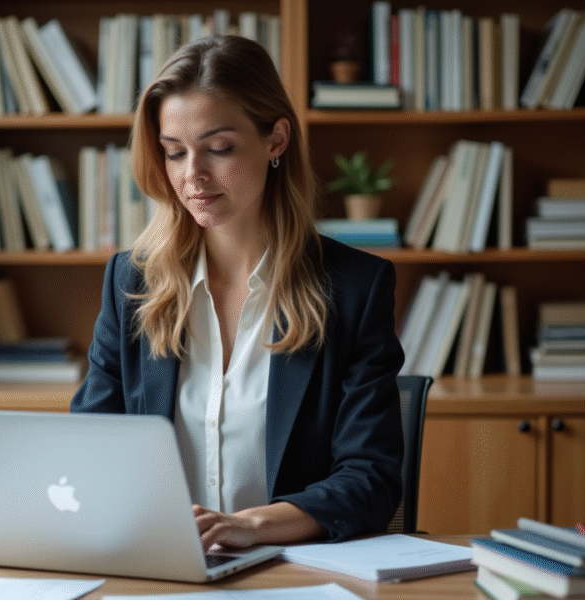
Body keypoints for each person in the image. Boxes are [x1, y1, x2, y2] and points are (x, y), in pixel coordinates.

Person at [70, 35, 405, 550]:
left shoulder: (354, 289)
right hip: (158, 566)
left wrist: (252, 526)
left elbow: (371, 479)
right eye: (173, 153)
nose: (192, 176)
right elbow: (89, 448)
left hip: (290, 572)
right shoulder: (131, 284)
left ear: (276, 140)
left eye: (219, 149)